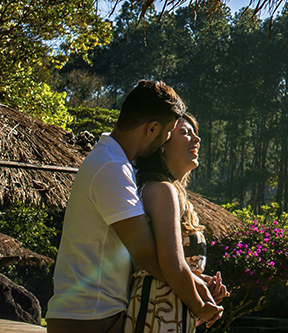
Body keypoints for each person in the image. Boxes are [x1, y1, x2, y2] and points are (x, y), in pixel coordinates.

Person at [47, 81, 218, 333]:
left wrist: (190, 280)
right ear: (151, 128)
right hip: (91, 317)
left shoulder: (114, 163)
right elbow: (147, 255)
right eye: (169, 131)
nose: (167, 138)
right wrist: (197, 301)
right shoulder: (111, 167)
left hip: (92, 313)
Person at [126, 114, 228, 333]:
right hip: (157, 313)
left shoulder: (176, 196)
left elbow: (173, 262)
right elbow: (170, 267)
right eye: (185, 132)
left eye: (195, 133)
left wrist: (203, 283)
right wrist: (202, 308)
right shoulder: (160, 189)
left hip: (172, 313)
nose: (196, 139)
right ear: (162, 145)